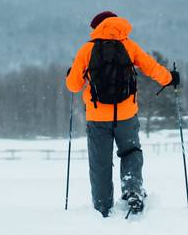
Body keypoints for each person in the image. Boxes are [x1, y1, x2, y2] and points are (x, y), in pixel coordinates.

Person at [66, 11, 179, 217]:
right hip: (126, 115)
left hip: (97, 117)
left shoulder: (87, 49)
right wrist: (170, 78)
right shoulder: (129, 46)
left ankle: (102, 206)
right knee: (130, 152)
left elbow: (73, 86)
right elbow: (151, 67)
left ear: (98, 27)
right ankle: (132, 190)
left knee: (100, 161)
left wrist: (71, 74)